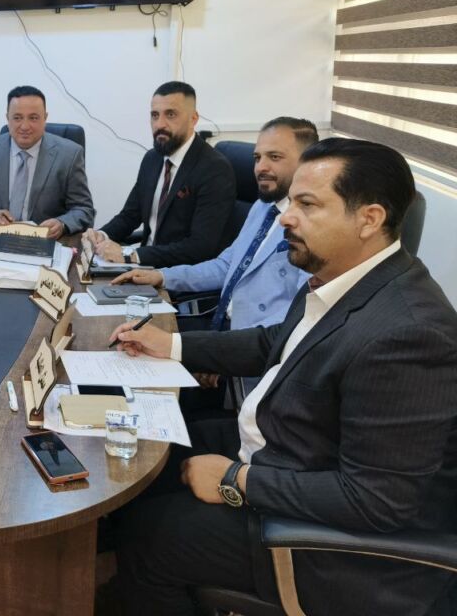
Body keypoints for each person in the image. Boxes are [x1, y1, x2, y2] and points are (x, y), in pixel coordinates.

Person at [105, 138, 457, 616]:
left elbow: (376, 500)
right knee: (145, 457)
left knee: (148, 537)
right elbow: (274, 342)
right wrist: (171, 344)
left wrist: (236, 479)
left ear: (369, 219)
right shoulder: (343, 279)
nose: (285, 218)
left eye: (306, 205)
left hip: (331, 549)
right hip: (288, 450)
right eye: (291, 202)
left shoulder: (409, 334)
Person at [113, 117, 318, 410]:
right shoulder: (263, 207)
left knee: (148, 392)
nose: (261, 167)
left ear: (308, 163)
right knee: (127, 357)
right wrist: (162, 276)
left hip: (255, 367)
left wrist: (222, 359)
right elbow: (226, 266)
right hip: (221, 331)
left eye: (275, 157)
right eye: (257, 158)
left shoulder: (312, 229)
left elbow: (291, 324)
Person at [83, 81, 236, 266]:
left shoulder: (214, 169)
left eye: (170, 114)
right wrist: (101, 235)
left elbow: (200, 247)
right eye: (155, 115)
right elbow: (130, 215)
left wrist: (131, 255)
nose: (159, 124)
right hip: (142, 265)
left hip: (175, 274)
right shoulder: (152, 159)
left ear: (193, 119)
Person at [0, 85, 95, 239]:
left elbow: (84, 209)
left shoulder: (69, 155)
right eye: (17, 118)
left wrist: (62, 223)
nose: (25, 126)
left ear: (45, 118)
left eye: (33, 118)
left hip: (45, 242)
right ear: (8, 118)